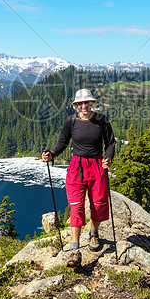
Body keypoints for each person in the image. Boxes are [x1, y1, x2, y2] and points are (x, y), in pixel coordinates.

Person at [42, 88, 115, 268]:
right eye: (80, 103)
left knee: (98, 203)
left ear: (92, 103)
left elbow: (110, 142)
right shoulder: (71, 121)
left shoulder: (102, 121)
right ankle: (75, 249)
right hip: (77, 167)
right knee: (76, 207)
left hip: (97, 165)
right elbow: (63, 141)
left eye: (87, 102)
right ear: (76, 105)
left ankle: (93, 233)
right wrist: (52, 153)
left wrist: (108, 158)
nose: (84, 106)